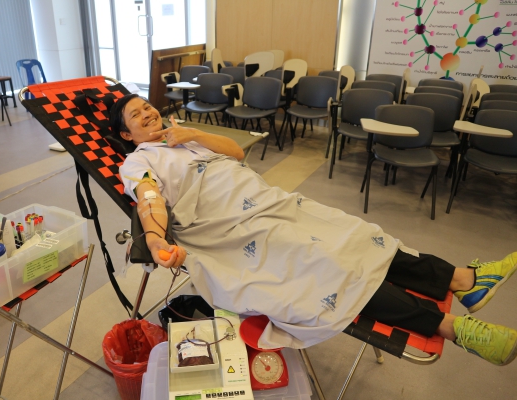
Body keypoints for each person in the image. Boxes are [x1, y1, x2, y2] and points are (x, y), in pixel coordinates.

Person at [110, 94, 517, 366]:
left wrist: (193, 133)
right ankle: (452, 328)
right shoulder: (138, 161)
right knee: (329, 265)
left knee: (355, 233)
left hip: (268, 200)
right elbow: (149, 198)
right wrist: (156, 239)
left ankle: (464, 280)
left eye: (147, 106)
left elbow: (235, 153)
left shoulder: (183, 137)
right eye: (136, 115)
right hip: (231, 224)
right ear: (127, 135)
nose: (148, 114)